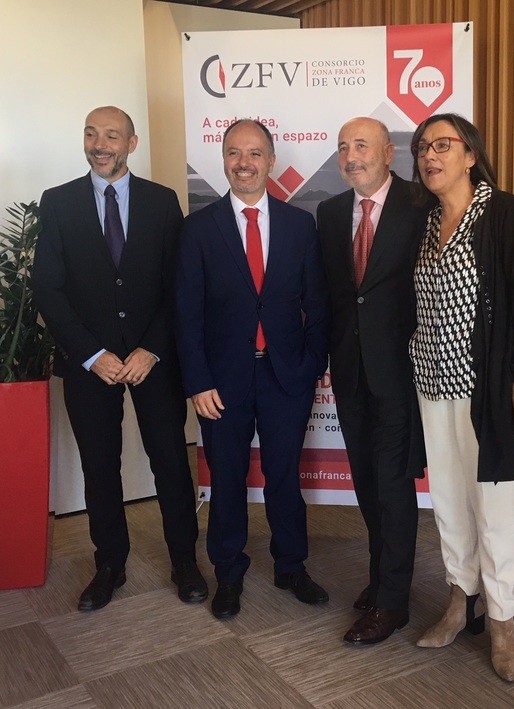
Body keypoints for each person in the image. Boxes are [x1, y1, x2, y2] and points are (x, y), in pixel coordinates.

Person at [34, 106, 206, 611]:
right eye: (91, 133)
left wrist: (150, 349)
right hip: (92, 365)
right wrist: (91, 354)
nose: (99, 144)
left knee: (171, 462)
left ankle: (185, 562)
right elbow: (48, 287)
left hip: (151, 359)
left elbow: (178, 284)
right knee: (99, 466)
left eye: (112, 135)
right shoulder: (59, 202)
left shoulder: (161, 201)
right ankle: (110, 564)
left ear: (132, 142)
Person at [408, 113, 514, 681]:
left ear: (471, 155)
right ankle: (458, 597)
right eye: (422, 147)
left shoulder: (504, 213)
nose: (429, 156)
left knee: (492, 505)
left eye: (442, 145)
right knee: (445, 498)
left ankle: (501, 617)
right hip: (430, 382)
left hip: (486, 388)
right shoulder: (423, 221)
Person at [175, 118, 331, 620]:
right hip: (221, 383)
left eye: (255, 153)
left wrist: (309, 367)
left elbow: (319, 306)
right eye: (234, 153)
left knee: (285, 474)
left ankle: (291, 566)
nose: (244, 163)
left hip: (286, 376)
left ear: (271, 161)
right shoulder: (197, 228)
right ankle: (228, 573)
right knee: (227, 479)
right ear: (223, 159)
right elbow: (186, 312)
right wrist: (197, 381)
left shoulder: (299, 225)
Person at [317, 117, 428, 645]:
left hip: (402, 372)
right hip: (351, 372)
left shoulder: (420, 203)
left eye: (361, 145)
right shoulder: (331, 211)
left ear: (388, 151)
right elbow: (336, 297)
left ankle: (393, 602)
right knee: (366, 482)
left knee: (392, 485)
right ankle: (382, 577)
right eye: (343, 147)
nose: (350, 155)